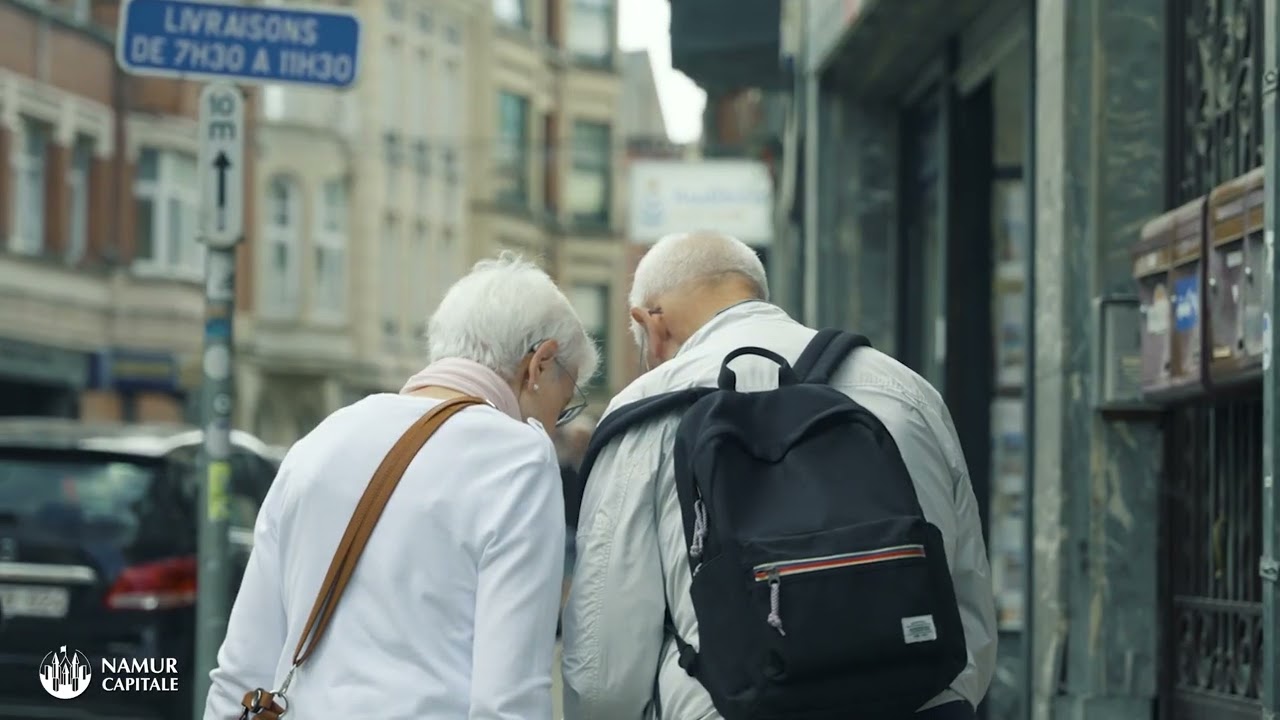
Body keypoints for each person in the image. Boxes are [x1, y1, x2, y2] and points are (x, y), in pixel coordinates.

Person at [560, 231, 996, 720]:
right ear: (753, 292)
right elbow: (969, 604)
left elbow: (606, 664)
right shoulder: (905, 390)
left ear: (649, 322)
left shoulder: (646, 413)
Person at [203, 252, 597, 720]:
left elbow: (240, 670)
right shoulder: (517, 458)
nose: (555, 424)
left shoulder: (322, 440)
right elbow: (508, 701)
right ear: (540, 363)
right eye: (565, 403)